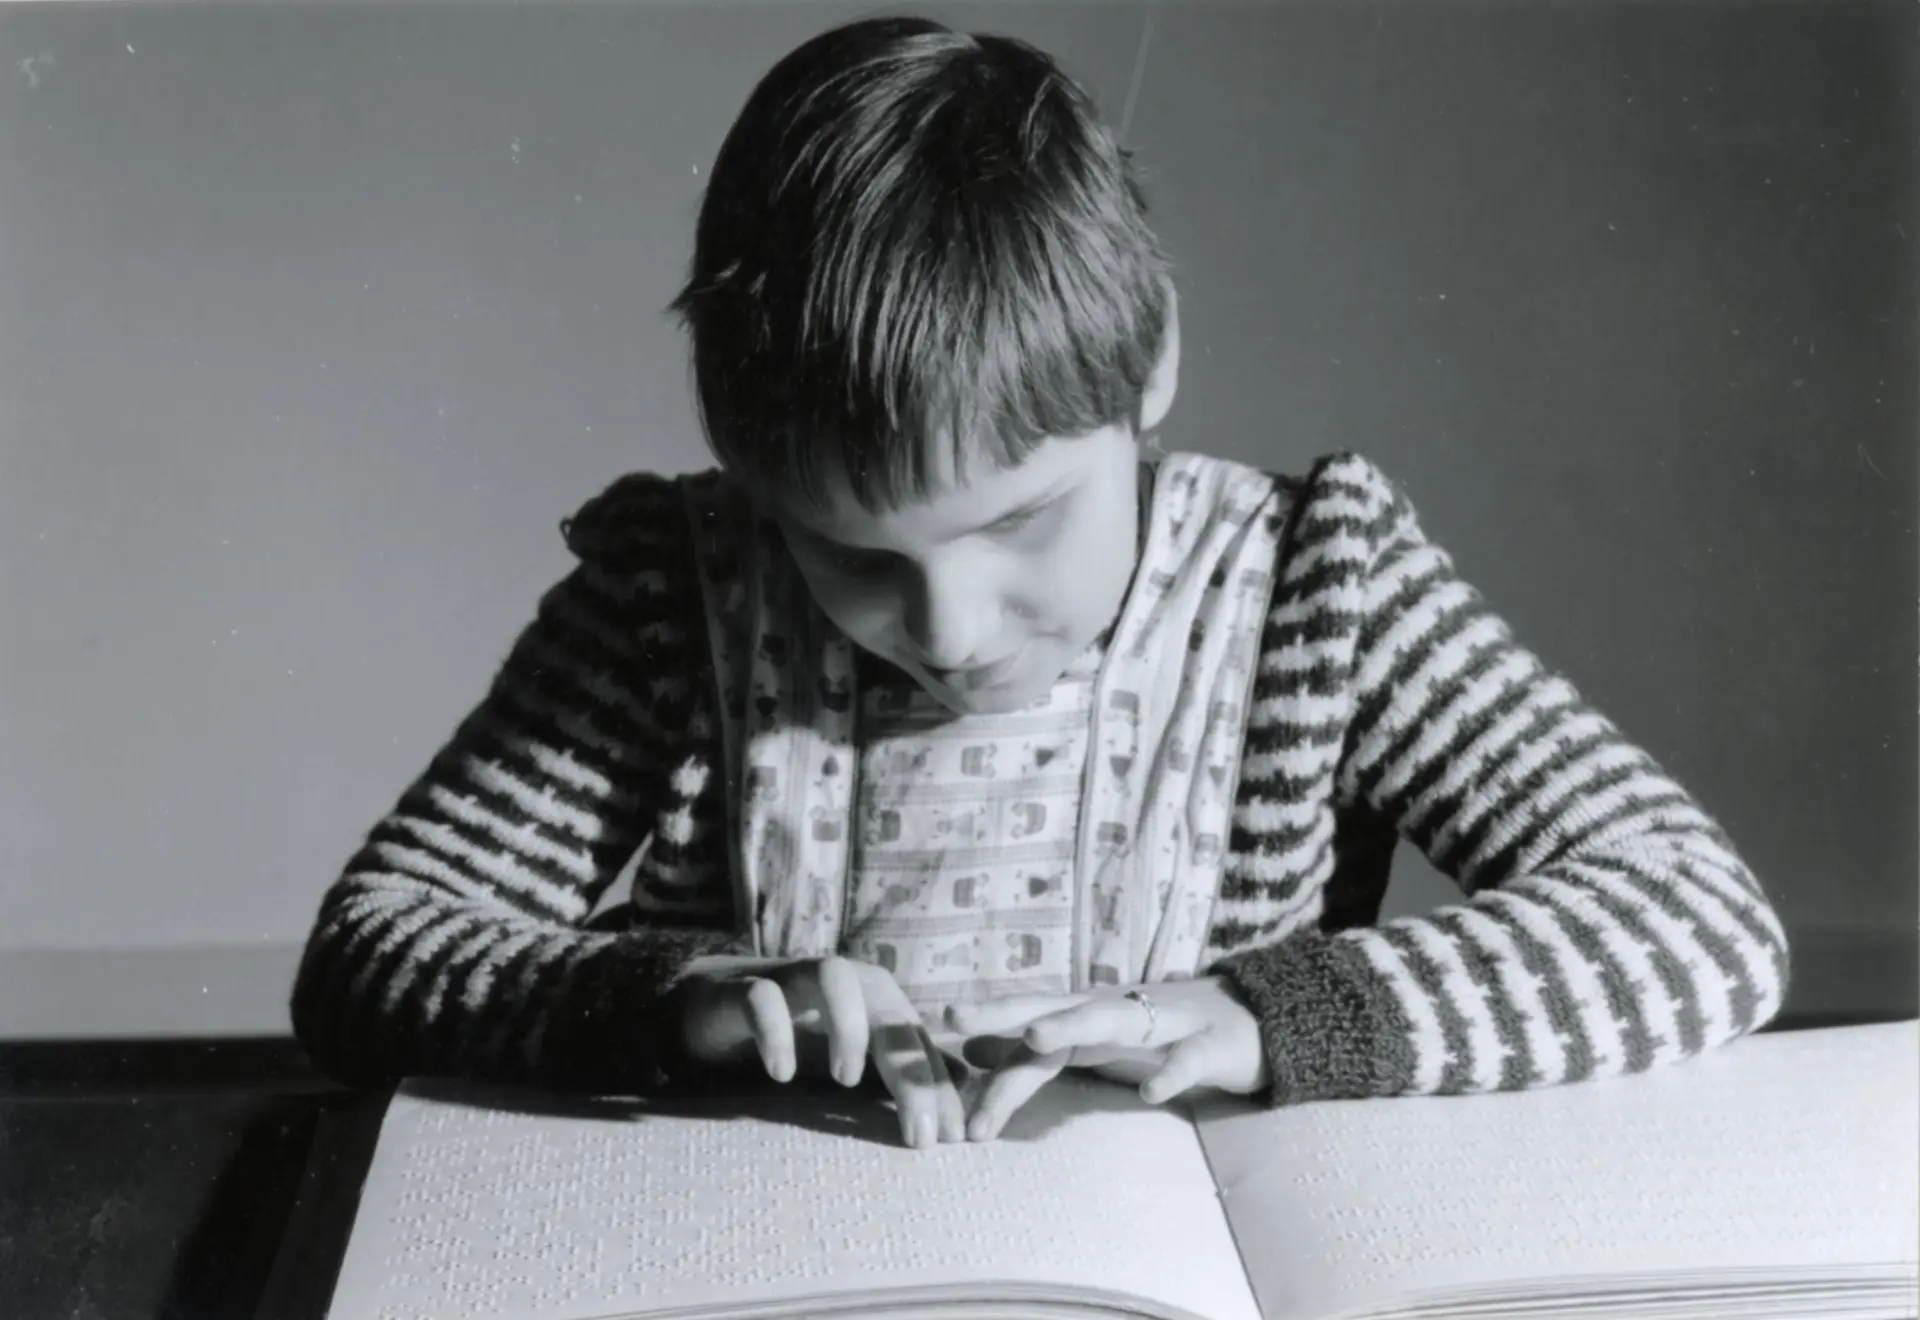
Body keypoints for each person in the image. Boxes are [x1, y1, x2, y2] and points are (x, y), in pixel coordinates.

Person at [289, 14, 1789, 1150]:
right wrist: (669, 1004)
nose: (944, 628)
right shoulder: (667, 601)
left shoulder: (1316, 597)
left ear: (1149, 371)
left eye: (1018, 524)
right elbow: (374, 950)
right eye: (848, 552)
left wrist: (1273, 1018)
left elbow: (1698, 917)